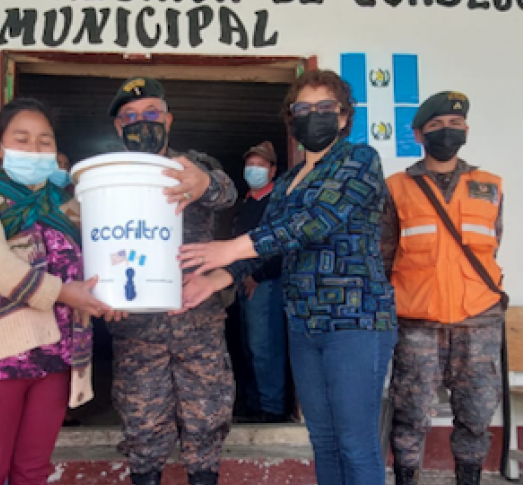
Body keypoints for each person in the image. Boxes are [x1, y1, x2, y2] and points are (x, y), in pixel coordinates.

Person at [177, 69, 397, 485]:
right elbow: (271, 244)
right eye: (303, 109)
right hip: (303, 323)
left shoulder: (359, 160)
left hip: (355, 323)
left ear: (345, 116)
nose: (313, 116)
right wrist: (220, 276)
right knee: (325, 439)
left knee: (356, 442)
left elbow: (318, 221)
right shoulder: (287, 183)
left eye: (325, 108)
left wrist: (232, 248)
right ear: (291, 119)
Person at [0, 98, 116, 485]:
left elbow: (107, 251)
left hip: (53, 355)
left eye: (44, 141)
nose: (34, 149)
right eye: (22, 139)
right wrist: (66, 294)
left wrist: (118, 296)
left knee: (32, 472)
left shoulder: (66, 204)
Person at [107, 77, 237, 485]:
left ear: (168, 119)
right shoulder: (108, 174)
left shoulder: (192, 166)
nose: (141, 122)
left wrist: (205, 183)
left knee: (207, 420)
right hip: (136, 325)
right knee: (143, 426)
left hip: (197, 317)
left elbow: (226, 193)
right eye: (130, 117)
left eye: (151, 114)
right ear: (117, 127)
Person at [381, 91, 505, 485]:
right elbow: (384, 254)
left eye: (454, 125)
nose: (446, 132)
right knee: (411, 413)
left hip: (478, 320)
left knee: (477, 414)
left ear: (466, 130)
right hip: (417, 322)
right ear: (418, 134)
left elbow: (492, 244)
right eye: (435, 126)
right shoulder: (396, 187)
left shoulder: (489, 186)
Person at [232, 141, 287, 424]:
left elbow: (281, 246)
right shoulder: (247, 202)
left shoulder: (277, 201)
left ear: (273, 170)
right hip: (244, 282)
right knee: (249, 346)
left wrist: (257, 275)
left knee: (265, 345)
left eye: (261, 165)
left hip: (265, 283)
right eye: (250, 165)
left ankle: (272, 406)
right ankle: (254, 403)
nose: (254, 170)